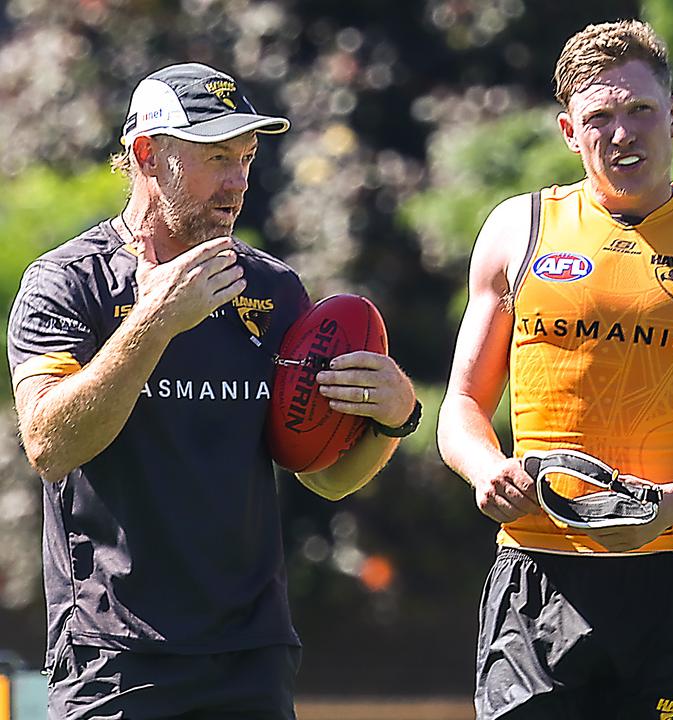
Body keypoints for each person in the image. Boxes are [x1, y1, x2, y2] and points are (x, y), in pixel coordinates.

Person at [7, 62, 419, 719]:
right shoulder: (67, 284)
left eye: (247, 157)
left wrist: (395, 420)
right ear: (148, 154)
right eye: (217, 157)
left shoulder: (275, 292)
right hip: (114, 660)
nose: (237, 182)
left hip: (250, 660)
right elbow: (49, 444)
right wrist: (156, 320)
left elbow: (327, 479)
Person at [437, 19, 673, 720]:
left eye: (640, 110)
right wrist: (485, 469)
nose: (621, 133)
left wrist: (672, 509)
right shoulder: (517, 230)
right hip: (534, 580)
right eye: (599, 117)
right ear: (568, 132)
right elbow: (460, 405)